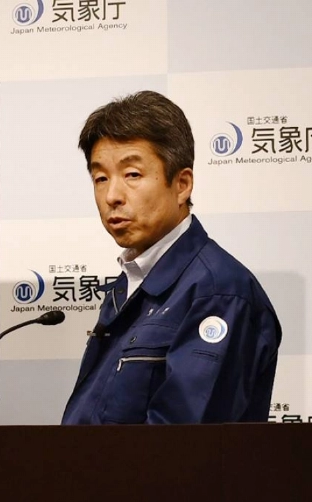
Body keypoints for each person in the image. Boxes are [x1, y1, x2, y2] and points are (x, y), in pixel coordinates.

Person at [61, 90, 281, 425]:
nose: (112, 196)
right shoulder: (130, 283)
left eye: (132, 175)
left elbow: (184, 448)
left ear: (182, 184)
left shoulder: (218, 291)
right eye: (100, 178)